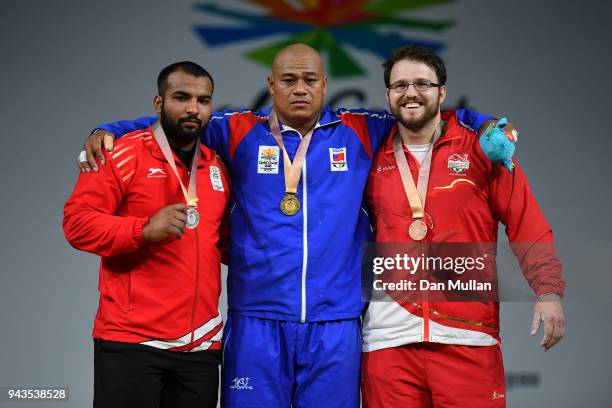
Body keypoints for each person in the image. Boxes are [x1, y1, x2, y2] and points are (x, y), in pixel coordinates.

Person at [78, 44, 496, 407]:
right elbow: (182, 121)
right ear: (271, 83)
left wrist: (481, 120)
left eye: (310, 79)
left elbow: (422, 109)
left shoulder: (362, 130)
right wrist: (109, 129)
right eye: (289, 79)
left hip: (335, 323)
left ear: (325, 84)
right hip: (257, 320)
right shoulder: (238, 130)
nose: (300, 88)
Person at [361, 45, 566, 407]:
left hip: (468, 337)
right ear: (388, 95)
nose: (411, 93)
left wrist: (547, 290)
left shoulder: (481, 151)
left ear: (442, 92)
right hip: (388, 342)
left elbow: (526, 221)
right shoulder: (370, 155)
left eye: (422, 83)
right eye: (400, 85)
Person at [63, 61, 230, 408]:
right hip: (132, 343)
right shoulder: (121, 153)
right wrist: (142, 229)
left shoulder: (216, 165)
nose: (192, 109)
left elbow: (223, 244)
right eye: (181, 97)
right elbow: (77, 223)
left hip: (200, 347)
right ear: (158, 103)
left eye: (203, 100)